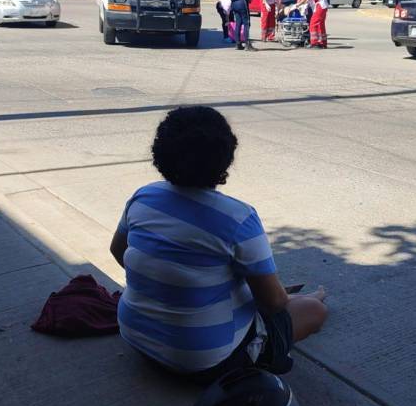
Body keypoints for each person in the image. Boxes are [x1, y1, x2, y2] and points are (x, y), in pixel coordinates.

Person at [110, 106, 328, 382]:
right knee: (314, 310)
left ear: (160, 151)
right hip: (204, 362)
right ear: (225, 156)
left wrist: (170, 286)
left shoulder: (143, 197)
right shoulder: (238, 217)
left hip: (136, 338)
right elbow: (272, 303)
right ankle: (310, 300)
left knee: (270, 298)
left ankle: (300, 299)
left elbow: (118, 251)